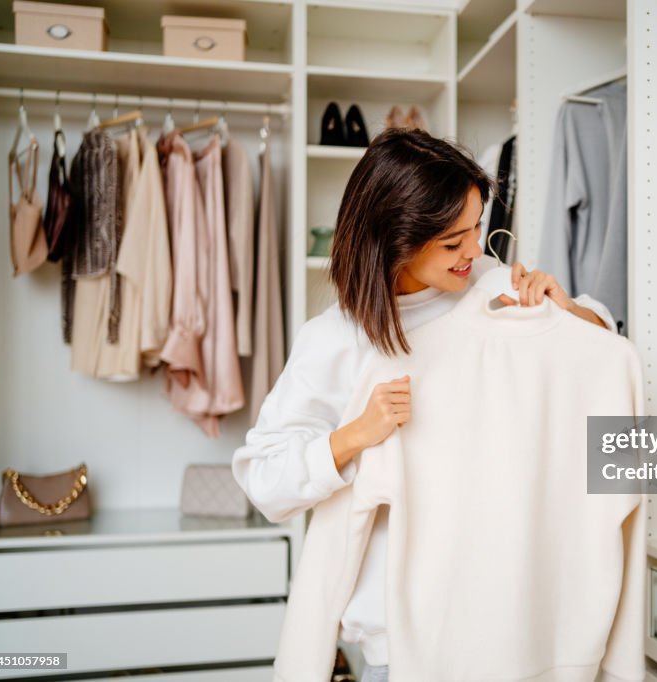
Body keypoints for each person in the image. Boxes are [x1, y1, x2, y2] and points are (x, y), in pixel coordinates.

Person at [232, 128, 617, 682]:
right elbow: (264, 479)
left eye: (478, 229)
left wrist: (563, 310)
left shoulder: (490, 285)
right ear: (397, 238)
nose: (473, 253)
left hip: (513, 618)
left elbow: (605, 353)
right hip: (404, 643)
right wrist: (355, 435)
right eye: (451, 242)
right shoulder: (337, 340)